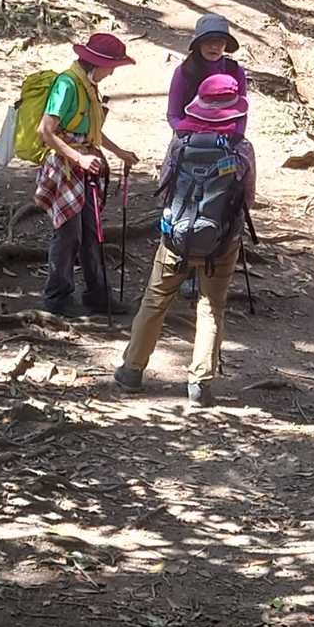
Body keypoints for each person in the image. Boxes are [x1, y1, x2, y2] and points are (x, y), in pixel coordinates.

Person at [114, 73, 255, 406]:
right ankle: (200, 385)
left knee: (155, 299)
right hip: (222, 241)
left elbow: (164, 183)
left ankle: (132, 371)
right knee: (211, 307)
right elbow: (247, 198)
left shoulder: (180, 142)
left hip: (175, 236)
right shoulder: (242, 148)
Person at [36, 32, 138, 317]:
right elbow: (45, 131)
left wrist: (120, 152)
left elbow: (91, 131)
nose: (112, 72)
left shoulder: (89, 85)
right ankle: (56, 298)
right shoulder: (67, 84)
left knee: (93, 233)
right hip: (65, 168)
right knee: (68, 235)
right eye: (112, 66)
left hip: (84, 167)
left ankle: (98, 296)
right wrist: (79, 157)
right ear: (98, 63)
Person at [167, 14, 248, 139]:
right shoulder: (184, 72)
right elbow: (173, 115)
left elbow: (242, 112)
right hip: (189, 137)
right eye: (208, 41)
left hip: (227, 137)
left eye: (219, 41)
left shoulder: (236, 71)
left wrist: (237, 136)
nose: (214, 46)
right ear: (199, 44)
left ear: (226, 45)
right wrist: (187, 135)